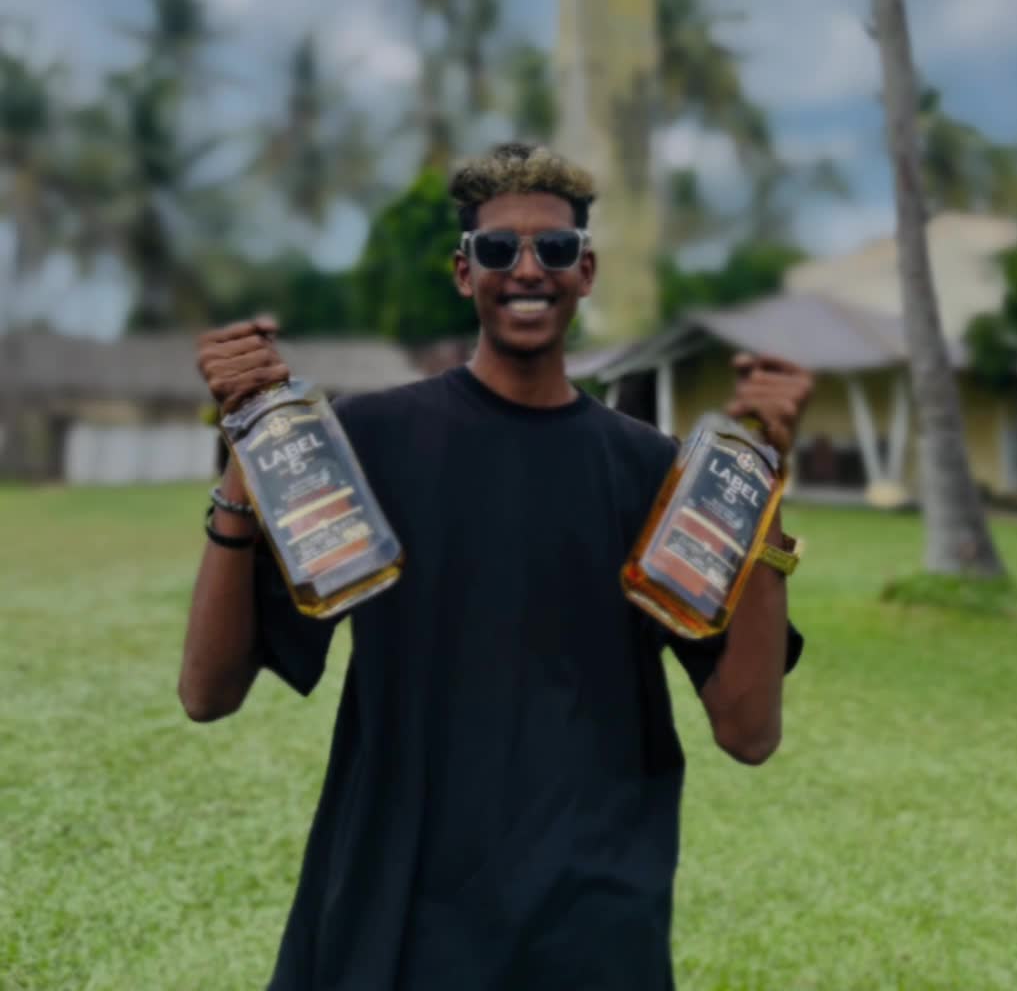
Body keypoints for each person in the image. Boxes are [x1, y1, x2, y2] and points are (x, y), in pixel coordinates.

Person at [178, 141, 813, 991]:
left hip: (589, 923)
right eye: (498, 248)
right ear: (462, 270)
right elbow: (209, 693)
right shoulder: (365, 443)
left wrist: (763, 490)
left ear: (585, 270)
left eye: (555, 247)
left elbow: (749, 732)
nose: (528, 269)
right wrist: (247, 443)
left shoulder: (654, 474)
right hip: (398, 907)